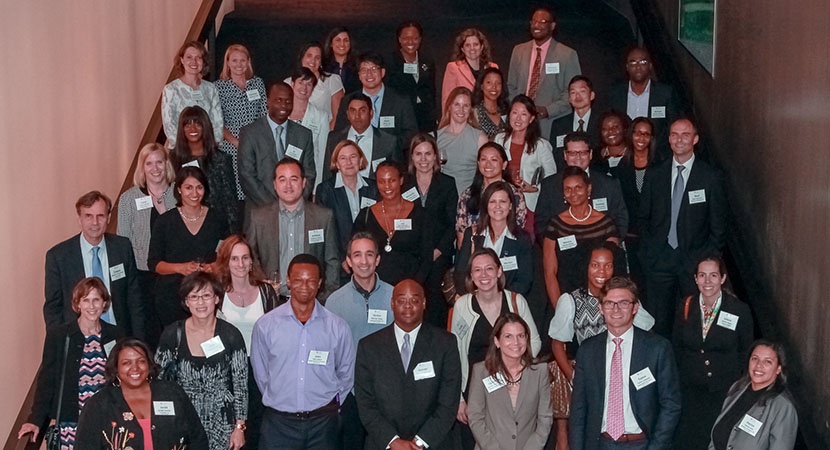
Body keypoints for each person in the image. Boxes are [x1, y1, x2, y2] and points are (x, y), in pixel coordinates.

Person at [548, 246, 655, 450]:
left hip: (623, 380)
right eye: (595, 265)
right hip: (591, 380)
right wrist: (575, 377)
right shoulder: (571, 301)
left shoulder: (625, 299)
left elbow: (648, 334)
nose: (601, 271)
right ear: (586, 267)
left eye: (608, 266)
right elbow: (557, 343)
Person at [251, 254, 355, 449]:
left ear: (320, 283)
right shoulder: (266, 326)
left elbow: (346, 374)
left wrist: (327, 405)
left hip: (323, 424)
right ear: (288, 281)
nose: (304, 286)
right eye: (298, 280)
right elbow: (262, 375)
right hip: (279, 424)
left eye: (311, 281)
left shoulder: (337, 327)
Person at [637, 118, 728, 337]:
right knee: (658, 323)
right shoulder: (655, 174)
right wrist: (649, 253)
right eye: (674, 135)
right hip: (659, 260)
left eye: (685, 135)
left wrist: (707, 259)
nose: (679, 140)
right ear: (668, 139)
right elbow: (643, 217)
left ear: (695, 139)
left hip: (694, 262)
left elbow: (719, 224)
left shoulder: (710, 177)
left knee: (691, 323)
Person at [569, 277, 681, 450]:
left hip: (642, 444)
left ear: (635, 307)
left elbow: (671, 404)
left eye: (623, 303)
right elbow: (578, 408)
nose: (616, 309)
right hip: (600, 444)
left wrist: (656, 446)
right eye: (609, 303)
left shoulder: (657, 348)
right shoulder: (588, 350)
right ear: (601, 308)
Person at [18, 278, 125, 449]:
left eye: (96, 299)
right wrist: (35, 420)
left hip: (107, 421)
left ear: (104, 303)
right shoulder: (60, 335)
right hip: (71, 423)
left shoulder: (116, 335)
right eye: (86, 300)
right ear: (78, 304)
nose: (92, 306)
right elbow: (47, 381)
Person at [355, 279, 462, 450]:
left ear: (424, 303)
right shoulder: (368, 347)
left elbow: (448, 402)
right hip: (383, 444)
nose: (408, 306)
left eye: (414, 300)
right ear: (392, 303)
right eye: (401, 300)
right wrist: (393, 441)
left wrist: (419, 442)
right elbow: (365, 403)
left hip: (433, 443)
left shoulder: (445, 344)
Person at [451, 248, 542, 448]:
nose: (484, 275)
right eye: (477, 270)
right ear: (471, 276)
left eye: (489, 269)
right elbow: (455, 353)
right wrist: (458, 398)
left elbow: (534, 341)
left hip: (512, 389)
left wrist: (515, 369)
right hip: (474, 392)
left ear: (499, 271)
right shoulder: (462, 307)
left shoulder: (517, 301)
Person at [155, 272, 247, 450]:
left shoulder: (231, 335)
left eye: (206, 296)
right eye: (194, 297)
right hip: (182, 420)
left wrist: (239, 427)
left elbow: (241, 385)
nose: (200, 302)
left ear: (216, 298)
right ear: (186, 302)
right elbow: (160, 385)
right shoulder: (172, 334)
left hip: (222, 423)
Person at [672, 255, 754, 450]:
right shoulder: (685, 306)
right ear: (695, 279)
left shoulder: (739, 310)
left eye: (713, 275)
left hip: (723, 392)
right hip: (691, 392)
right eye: (702, 275)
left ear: (723, 278)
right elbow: (676, 347)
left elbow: (746, 351)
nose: (707, 281)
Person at [74, 338, 209, 450]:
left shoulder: (172, 393)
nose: (135, 368)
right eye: (126, 363)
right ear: (116, 368)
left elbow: (198, 439)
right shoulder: (99, 404)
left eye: (141, 361)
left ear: (149, 364)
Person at [325, 233, 395, 450]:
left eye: (369, 255)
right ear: (348, 261)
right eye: (357, 255)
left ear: (378, 260)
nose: (363, 261)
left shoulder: (395, 296)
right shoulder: (335, 302)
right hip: (350, 394)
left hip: (388, 392)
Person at [45, 191, 145, 338]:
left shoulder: (122, 248)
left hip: (119, 336)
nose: (95, 223)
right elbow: (53, 308)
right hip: (78, 338)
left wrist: (138, 342)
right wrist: (60, 344)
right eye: (88, 216)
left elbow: (134, 299)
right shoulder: (59, 256)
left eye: (100, 216)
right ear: (79, 219)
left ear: (109, 218)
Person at [214, 235, 280, 449]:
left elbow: (276, 334)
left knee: (258, 428)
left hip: (260, 369)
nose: (240, 264)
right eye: (234, 259)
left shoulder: (266, 291)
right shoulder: (216, 294)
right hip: (227, 371)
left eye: (245, 258)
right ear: (226, 261)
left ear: (252, 261)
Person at [245, 158, 339, 301]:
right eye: (282, 180)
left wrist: (325, 298)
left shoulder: (323, 217)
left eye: (293, 179)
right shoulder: (259, 217)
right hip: (272, 301)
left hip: (313, 302)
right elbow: (250, 257)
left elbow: (332, 262)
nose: (288, 185)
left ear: (303, 183)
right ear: (275, 185)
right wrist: (261, 285)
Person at [148, 167, 229, 328]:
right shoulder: (164, 222)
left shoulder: (217, 218)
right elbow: (154, 263)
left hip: (209, 295)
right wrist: (180, 268)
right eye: (188, 187)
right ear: (179, 189)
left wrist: (215, 266)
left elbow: (226, 254)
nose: (195, 193)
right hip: (172, 297)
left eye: (199, 187)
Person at [117, 143, 177, 343]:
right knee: (147, 330)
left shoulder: (179, 193)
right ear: (142, 168)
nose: (155, 168)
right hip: (142, 275)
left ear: (166, 164)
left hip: (174, 273)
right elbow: (123, 241)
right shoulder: (129, 199)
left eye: (159, 162)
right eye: (149, 163)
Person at [466, 313, 552, 450]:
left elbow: (545, 419)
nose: (516, 342)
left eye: (521, 336)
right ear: (497, 341)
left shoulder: (540, 372)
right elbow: (475, 417)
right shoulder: (481, 371)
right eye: (508, 336)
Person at [543, 166, 622, 305]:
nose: (573, 193)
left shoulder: (606, 224)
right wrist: (561, 309)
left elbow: (614, 271)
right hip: (567, 299)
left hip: (602, 301)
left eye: (578, 187)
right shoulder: (555, 225)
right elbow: (550, 273)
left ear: (589, 189)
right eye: (567, 189)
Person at [403, 133, 458, 326]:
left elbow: (453, 224)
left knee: (436, 309)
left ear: (435, 156)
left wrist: (437, 252)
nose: (423, 159)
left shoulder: (447, 183)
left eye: (428, 154)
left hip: (438, 257)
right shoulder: (403, 184)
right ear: (412, 157)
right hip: (410, 258)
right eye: (418, 154)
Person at [535, 132, 629, 242]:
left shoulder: (609, 184)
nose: (578, 157)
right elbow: (541, 223)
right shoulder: (549, 185)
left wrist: (609, 248)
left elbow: (620, 220)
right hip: (563, 253)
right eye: (572, 153)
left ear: (590, 154)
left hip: (601, 251)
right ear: (565, 155)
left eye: (583, 152)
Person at [353, 161, 432, 286]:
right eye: (382, 181)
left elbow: (427, 257)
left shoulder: (420, 215)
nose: (387, 186)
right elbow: (355, 251)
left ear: (401, 180)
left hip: (409, 289)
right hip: (374, 287)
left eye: (392, 180)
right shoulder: (365, 215)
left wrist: (414, 285)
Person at [709, 340, 798, 450]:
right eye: (755, 359)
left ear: (778, 369)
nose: (759, 365)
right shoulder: (737, 388)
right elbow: (715, 438)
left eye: (767, 362)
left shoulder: (782, 407)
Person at [507, 6, 581, 139]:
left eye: (542, 22)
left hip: (550, 124)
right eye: (534, 21)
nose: (537, 25)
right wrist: (518, 111)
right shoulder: (518, 51)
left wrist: (548, 110)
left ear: (552, 26)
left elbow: (572, 94)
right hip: (520, 125)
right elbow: (511, 86)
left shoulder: (567, 54)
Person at [238, 80, 316, 205]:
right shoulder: (250, 133)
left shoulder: (304, 135)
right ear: (268, 102)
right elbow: (247, 176)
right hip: (260, 210)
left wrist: (294, 202)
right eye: (278, 100)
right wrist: (274, 207)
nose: (283, 106)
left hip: (296, 210)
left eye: (288, 101)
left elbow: (309, 174)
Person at [315, 139, 379, 283]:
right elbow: (326, 230)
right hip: (339, 265)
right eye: (343, 158)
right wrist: (343, 258)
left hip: (369, 262)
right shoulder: (325, 190)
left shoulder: (373, 188)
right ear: (336, 164)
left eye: (353, 157)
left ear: (361, 160)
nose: (348, 162)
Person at [455, 182, 534, 297]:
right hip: (475, 300)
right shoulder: (472, 234)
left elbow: (524, 281)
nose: (498, 206)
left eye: (502, 202)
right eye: (492, 202)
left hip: (507, 305)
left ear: (511, 206)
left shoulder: (522, 239)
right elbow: (461, 273)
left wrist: (498, 298)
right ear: (486, 206)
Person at [494, 94, 557, 235]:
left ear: (531, 119)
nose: (518, 118)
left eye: (524, 114)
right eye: (514, 113)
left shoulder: (541, 145)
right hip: (502, 202)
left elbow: (551, 179)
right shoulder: (499, 140)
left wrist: (534, 188)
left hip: (529, 206)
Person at [171, 105, 240, 233]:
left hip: (217, 228)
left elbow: (230, 202)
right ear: (181, 129)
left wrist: (233, 235)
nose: (192, 128)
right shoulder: (173, 159)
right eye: (187, 124)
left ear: (205, 127)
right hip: (183, 227)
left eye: (198, 124)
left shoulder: (221, 159)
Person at [606, 46, 682, 161]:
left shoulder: (665, 93)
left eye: (642, 62)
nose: (637, 67)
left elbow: (672, 127)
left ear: (650, 66)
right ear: (627, 67)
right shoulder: (616, 93)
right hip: (623, 157)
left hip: (656, 157)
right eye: (633, 62)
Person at [335, 52, 418, 153]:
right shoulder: (347, 101)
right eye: (364, 70)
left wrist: (388, 145)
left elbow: (411, 133)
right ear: (359, 75)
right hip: (357, 159)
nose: (369, 74)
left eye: (374, 69)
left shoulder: (400, 100)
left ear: (382, 72)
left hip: (391, 159)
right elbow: (340, 133)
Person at [216, 44, 268, 203]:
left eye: (242, 60)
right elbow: (217, 120)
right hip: (230, 147)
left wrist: (255, 142)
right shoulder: (218, 87)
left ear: (248, 62)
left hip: (254, 146)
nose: (239, 64)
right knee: (233, 195)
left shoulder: (257, 83)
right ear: (228, 63)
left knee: (254, 193)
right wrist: (237, 143)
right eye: (234, 60)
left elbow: (264, 114)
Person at [456, 142, 528, 246]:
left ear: (504, 165)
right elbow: (461, 238)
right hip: (475, 254)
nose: (488, 164)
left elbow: (517, 232)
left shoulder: (515, 195)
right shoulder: (467, 195)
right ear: (478, 163)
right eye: (483, 159)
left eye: (494, 160)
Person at [616, 117, 658, 292]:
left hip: (657, 237)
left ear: (652, 138)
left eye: (646, 134)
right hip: (633, 237)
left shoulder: (661, 165)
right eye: (637, 133)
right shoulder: (623, 166)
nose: (641, 138)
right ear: (630, 135)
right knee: (637, 285)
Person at [323, 94, 402, 183]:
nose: (357, 116)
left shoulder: (388, 141)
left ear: (371, 113)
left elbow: (397, 175)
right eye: (353, 111)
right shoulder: (334, 139)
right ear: (348, 114)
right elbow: (327, 174)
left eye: (362, 111)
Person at [162, 40, 223, 149]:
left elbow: (217, 122)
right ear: (182, 60)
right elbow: (169, 126)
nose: (194, 61)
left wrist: (211, 146)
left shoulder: (210, 88)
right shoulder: (171, 89)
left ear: (203, 62)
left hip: (208, 151)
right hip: (181, 151)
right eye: (189, 57)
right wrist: (189, 150)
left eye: (198, 57)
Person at [386, 20, 437, 133]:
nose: (410, 42)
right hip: (402, 118)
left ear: (420, 39)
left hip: (425, 119)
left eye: (415, 38)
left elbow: (432, 91)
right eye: (405, 38)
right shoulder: (390, 62)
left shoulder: (427, 61)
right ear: (399, 39)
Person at [438, 86, 489, 195]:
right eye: (457, 104)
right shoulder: (436, 137)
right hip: (443, 200)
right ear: (449, 106)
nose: (461, 110)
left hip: (468, 200)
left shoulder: (480, 138)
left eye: (465, 106)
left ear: (470, 109)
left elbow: (487, 174)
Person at [288, 67, 331, 192]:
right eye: (301, 82)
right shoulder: (282, 113)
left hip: (308, 180)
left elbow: (322, 154)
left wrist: (316, 188)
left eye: (309, 84)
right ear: (292, 83)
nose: (304, 88)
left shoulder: (321, 117)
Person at [287, 41, 344, 129]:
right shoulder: (287, 82)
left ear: (321, 62)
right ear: (302, 58)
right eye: (309, 56)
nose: (313, 61)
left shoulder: (332, 80)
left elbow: (338, 116)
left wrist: (329, 138)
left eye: (317, 58)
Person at [441, 28, 498, 115]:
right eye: (467, 45)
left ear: (482, 47)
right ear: (462, 49)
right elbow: (447, 100)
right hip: (464, 119)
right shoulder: (453, 68)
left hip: (489, 118)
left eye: (475, 44)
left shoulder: (493, 67)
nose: (472, 48)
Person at [549, 75, 600, 168]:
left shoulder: (601, 122)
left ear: (592, 95)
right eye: (573, 93)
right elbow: (556, 156)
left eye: (582, 91)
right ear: (569, 98)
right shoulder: (558, 124)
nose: (577, 96)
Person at [472, 67, 509, 140]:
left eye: (498, 83)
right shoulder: (474, 112)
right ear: (481, 86)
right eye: (489, 82)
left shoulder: (507, 111)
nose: (494, 87)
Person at [323, 26, 360, 94]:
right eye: (338, 40)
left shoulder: (358, 65)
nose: (342, 44)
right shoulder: (323, 66)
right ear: (331, 44)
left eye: (346, 40)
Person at [595, 110, 631, 177]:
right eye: (605, 129)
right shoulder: (594, 157)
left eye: (615, 127)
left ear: (625, 129)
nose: (610, 131)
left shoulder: (635, 156)